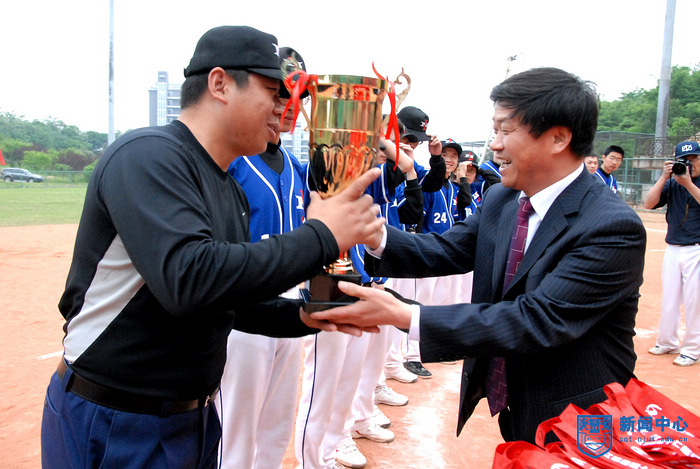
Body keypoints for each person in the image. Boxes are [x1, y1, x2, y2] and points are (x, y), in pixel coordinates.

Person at [40, 26, 384, 469]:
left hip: (192, 420)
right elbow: (190, 279)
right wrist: (322, 235)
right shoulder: (148, 155)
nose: (284, 107)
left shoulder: (227, 186)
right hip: (113, 418)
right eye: (273, 91)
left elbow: (225, 299)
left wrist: (301, 315)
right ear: (220, 84)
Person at [311, 67, 646, 444]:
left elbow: (537, 320)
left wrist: (405, 314)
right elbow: (448, 249)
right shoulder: (505, 199)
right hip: (519, 406)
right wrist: (373, 235)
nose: (496, 145)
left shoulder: (610, 226)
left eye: (505, 130)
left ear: (558, 138)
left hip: (582, 421)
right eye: (494, 130)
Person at [215, 46, 310, 469]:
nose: (288, 107)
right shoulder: (234, 161)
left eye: (297, 98)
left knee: (276, 424)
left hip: (291, 300)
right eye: (280, 95)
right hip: (245, 301)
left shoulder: (295, 165)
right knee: (236, 426)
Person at [644, 140, 700, 367]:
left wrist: (688, 183)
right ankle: (667, 342)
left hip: (697, 248)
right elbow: (648, 204)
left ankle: (692, 350)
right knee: (670, 298)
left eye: (694, 159)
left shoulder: (688, 182)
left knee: (695, 302)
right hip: (673, 247)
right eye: (684, 160)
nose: (689, 164)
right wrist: (663, 178)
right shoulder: (673, 181)